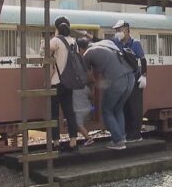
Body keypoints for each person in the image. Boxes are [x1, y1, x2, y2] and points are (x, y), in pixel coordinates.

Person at [83, 38, 136, 149]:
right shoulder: (109, 44)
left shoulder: (87, 53)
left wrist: (94, 84)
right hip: (131, 78)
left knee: (107, 110)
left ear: (80, 47)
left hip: (117, 80)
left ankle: (118, 141)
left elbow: (88, 76)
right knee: (118, 108)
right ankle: (122, 137)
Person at [46, 16, 79, 150]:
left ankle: (56, 142)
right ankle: (73, 141)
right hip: (69, 82)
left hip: (56, 82)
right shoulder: (73, 42)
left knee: (54, 113)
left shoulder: (55, 41)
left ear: (57, 28)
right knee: (69, 112)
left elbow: (46, 52)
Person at [112, 20, 147, 143]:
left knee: (135, 106)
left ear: (126, 29)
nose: (117, 32)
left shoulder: (135, 43)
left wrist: (144, 76)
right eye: (116, 30)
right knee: (125, 105)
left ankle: (136, 134)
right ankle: (127, 132)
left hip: (135, 77)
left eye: (119, 30)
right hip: (124, 78)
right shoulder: (118, 43)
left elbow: (143, 60)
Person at [73, 38, 95, 146]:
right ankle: (93, 109)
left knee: (79, 122)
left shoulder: (77, 58)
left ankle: (88, 138)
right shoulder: (87, 56)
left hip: (79, 108)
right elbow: (91, 95)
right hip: (88, 107)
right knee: (90, 105)